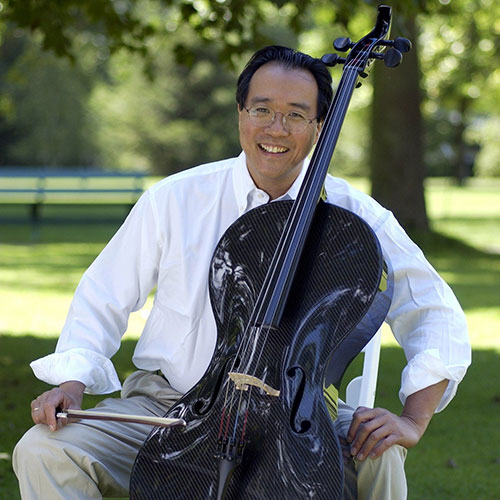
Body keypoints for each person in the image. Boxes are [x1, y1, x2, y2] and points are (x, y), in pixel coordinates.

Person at [13, 45, 471, 499]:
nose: (276, 128)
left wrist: (412, 420)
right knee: (44, 450)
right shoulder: (175, 199)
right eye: (262, 109)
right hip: (168, 407)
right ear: (240, 113)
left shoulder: (358, 219)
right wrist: (70, 386)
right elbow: (103, 295)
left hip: (297, 420)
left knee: (382, 454)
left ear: (319, 127)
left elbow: (435, 312)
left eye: (295, 114)